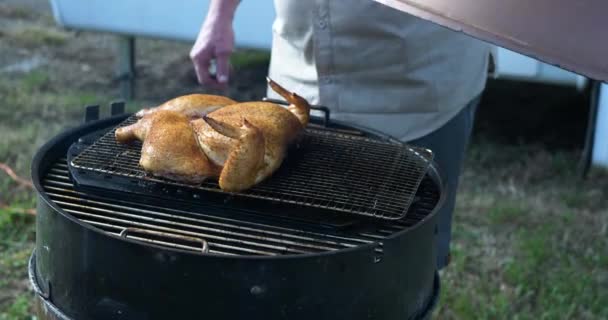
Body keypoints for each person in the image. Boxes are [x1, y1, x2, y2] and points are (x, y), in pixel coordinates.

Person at [190, 0, 490, 270]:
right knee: (287, 256)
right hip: (295, 85)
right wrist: (220, 13)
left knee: (403, 267)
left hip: (415, 90)